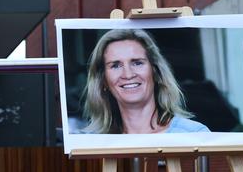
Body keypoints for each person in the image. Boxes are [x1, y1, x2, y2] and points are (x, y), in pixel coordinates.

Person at [81, 28, 209, 134]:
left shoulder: (194, 134)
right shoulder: (93, 143)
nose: (128, 74)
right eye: (115, 65)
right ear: (103, 80)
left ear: (155, 72)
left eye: (137, 63)